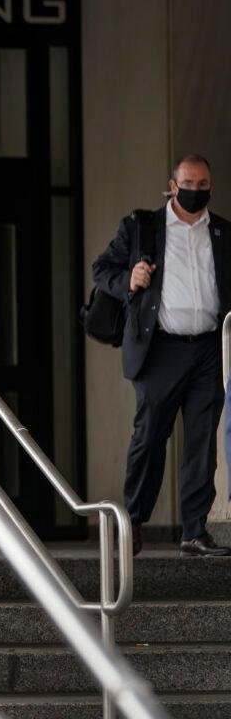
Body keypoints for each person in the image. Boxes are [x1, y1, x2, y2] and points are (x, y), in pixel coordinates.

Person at [94, 154, 231, 557]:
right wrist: (128, 280)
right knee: (150, 436)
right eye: (189, 183)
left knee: (202, 442)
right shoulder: (143, 227)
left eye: (203, 184)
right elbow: (101, 269)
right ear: (173, 186)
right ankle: (133, 523)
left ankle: (194, 530)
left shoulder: (222, 232)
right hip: (160, 349)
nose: (196, 191)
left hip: (208, 348)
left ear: (211, 187)